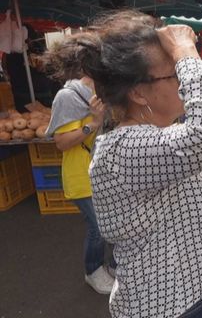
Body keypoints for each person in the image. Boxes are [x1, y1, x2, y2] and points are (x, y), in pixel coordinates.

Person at [47, 11, 202, 317]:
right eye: (175, 72)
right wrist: (185, 52)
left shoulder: (158, 136)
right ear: (138, 92)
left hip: (199, 293)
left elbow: (187, 174)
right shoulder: (123, 150)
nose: (183, 79)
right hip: (175, 305)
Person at [44, 56, 115, 295]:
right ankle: (92, 270)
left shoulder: (105, 94)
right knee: (98, 227)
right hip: (80, 175)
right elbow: (61, 142)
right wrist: (93, 123)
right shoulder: (68, 97)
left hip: (103, 173)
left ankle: (111, 266)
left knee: (110, 223)